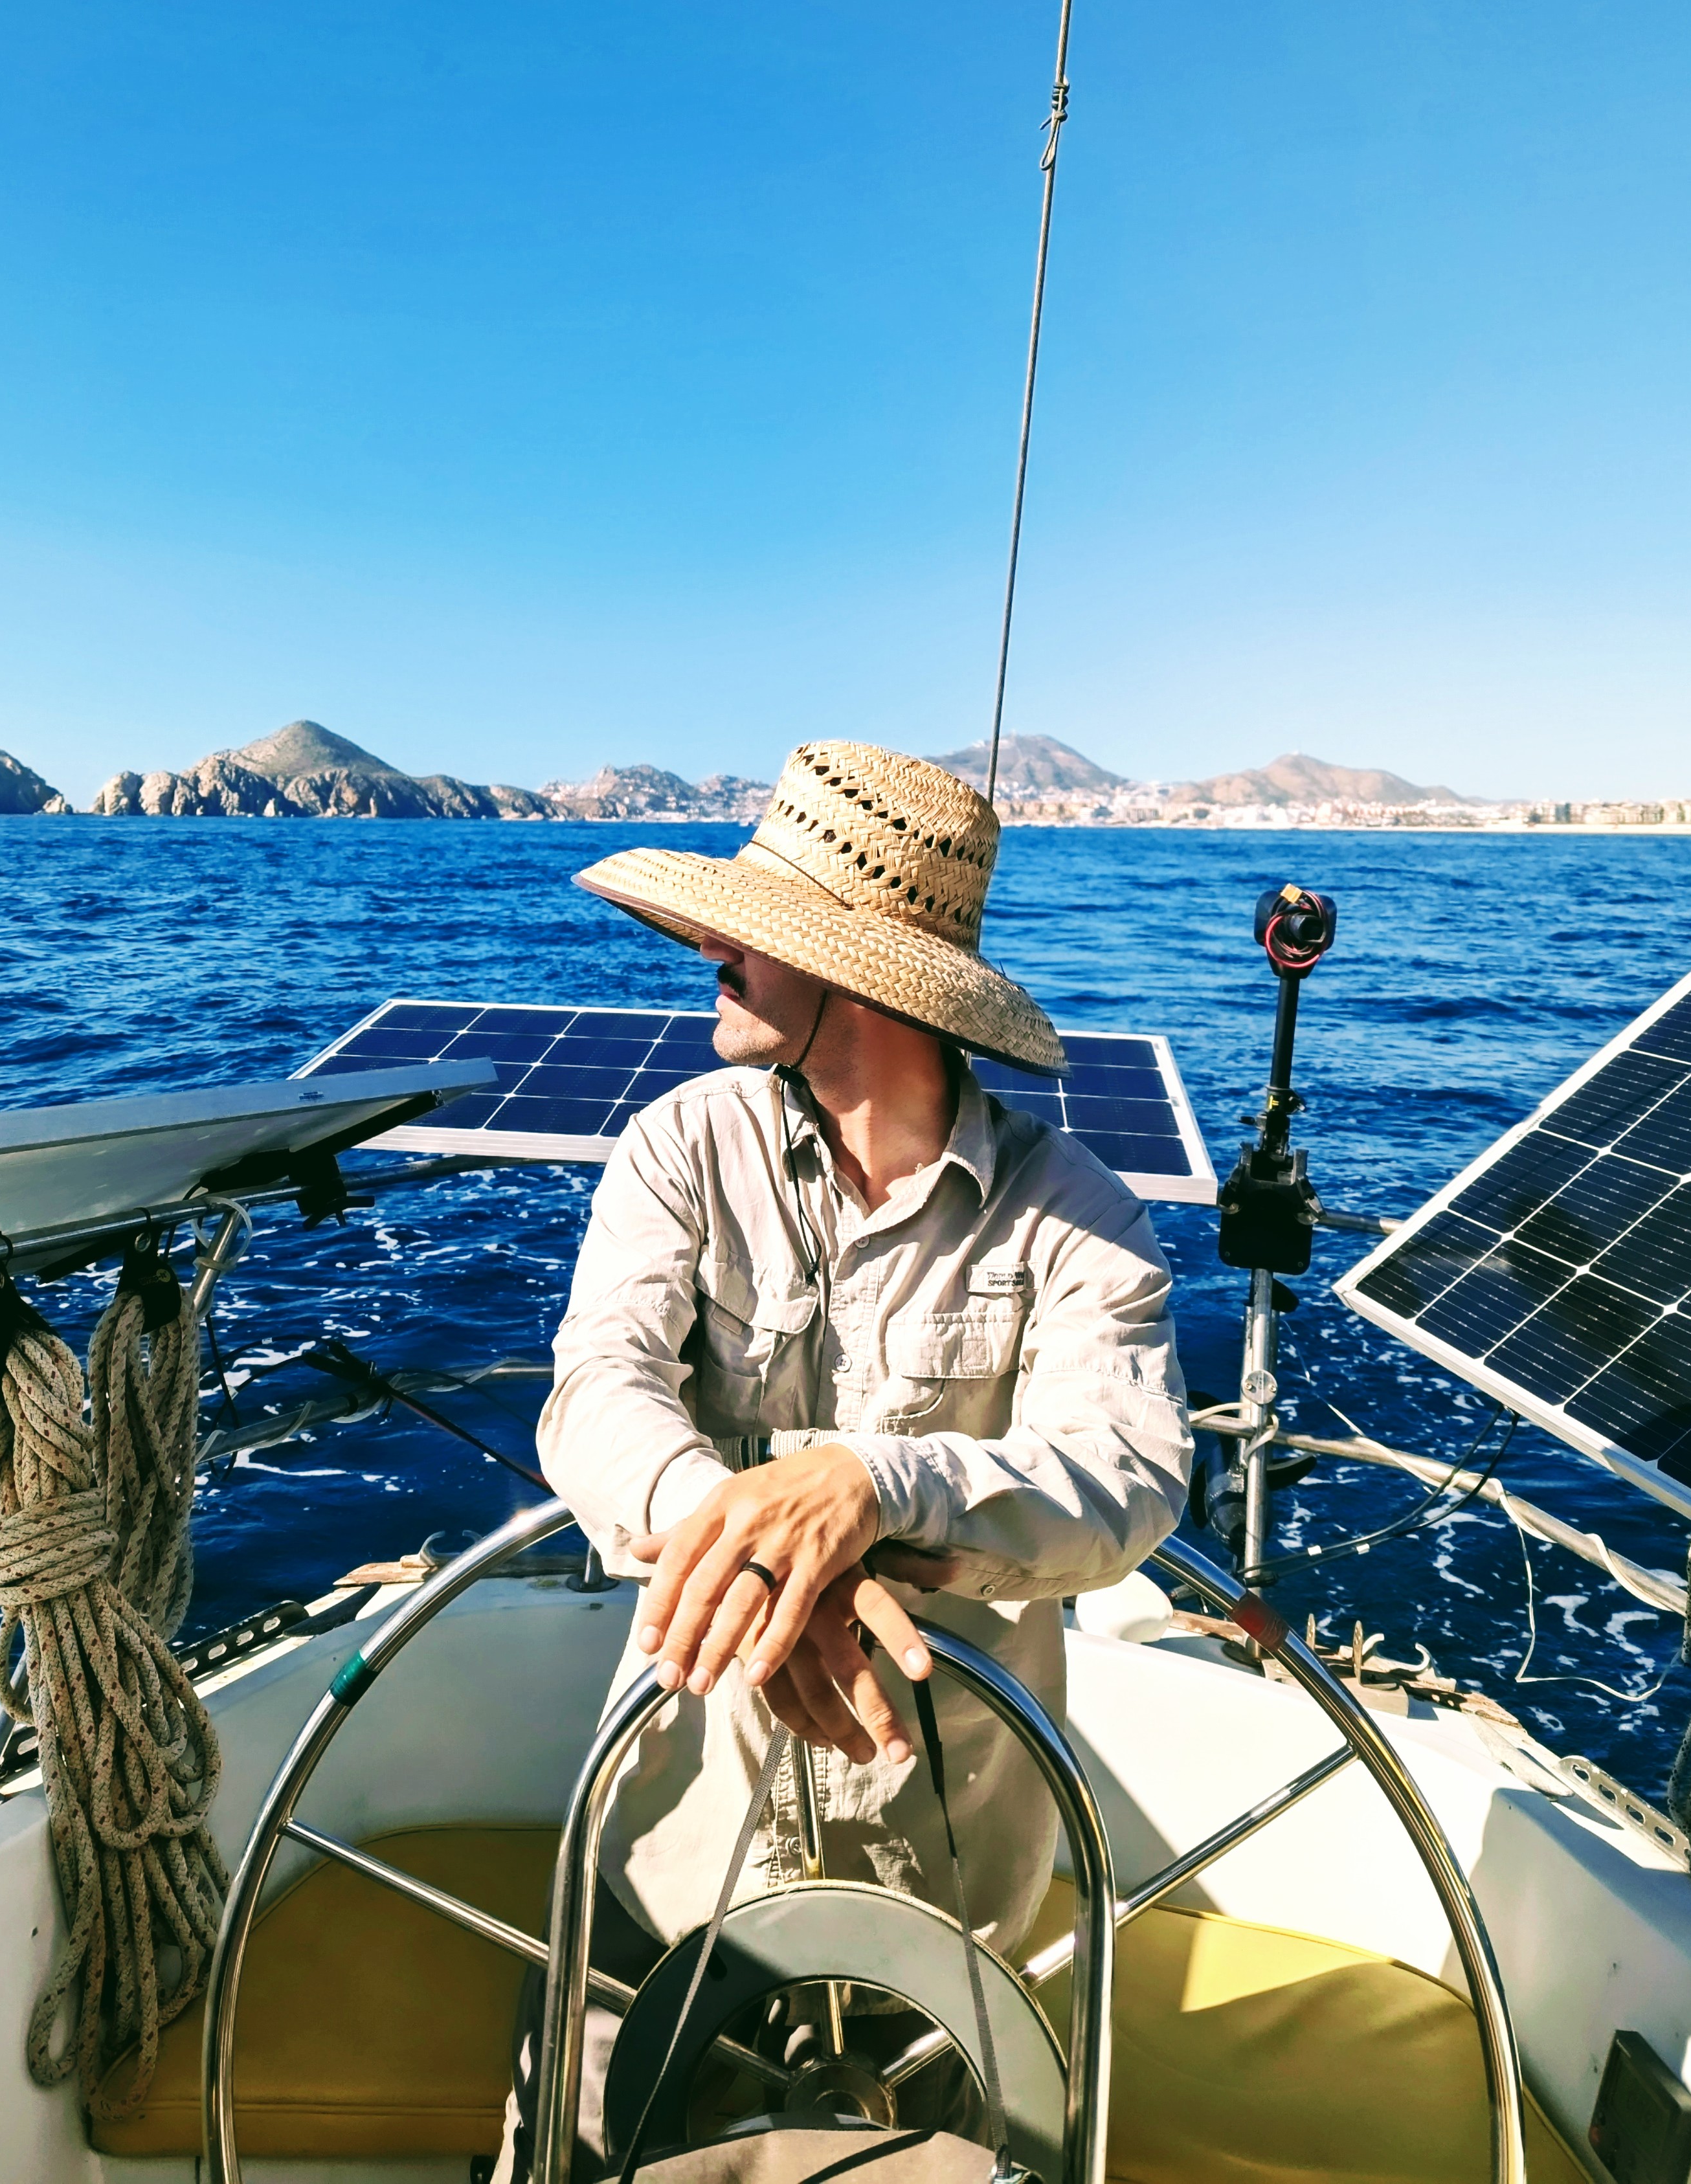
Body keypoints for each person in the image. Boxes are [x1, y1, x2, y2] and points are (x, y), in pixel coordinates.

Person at [498, 741, 1191, 2182]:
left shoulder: (1080, 1219)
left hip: (949, 1918)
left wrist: (875, 1487)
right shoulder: (679, 1147)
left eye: (753, 931)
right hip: (671, 1852)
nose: (711, 949)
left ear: (859, 976)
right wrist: (760, 1548)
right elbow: (595, 1395)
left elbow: (1125, 1476)